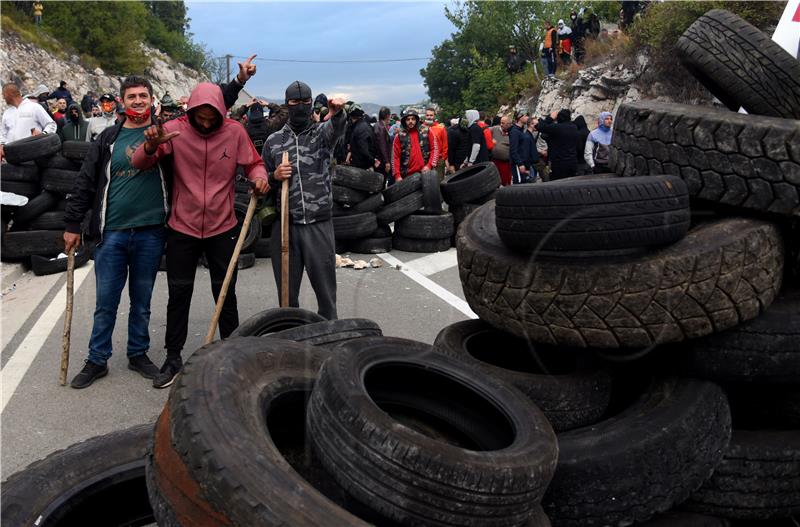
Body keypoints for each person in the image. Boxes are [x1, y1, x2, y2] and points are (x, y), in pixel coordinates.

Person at [132, 82, 268, 389]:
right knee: (179, 293)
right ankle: (173, 357)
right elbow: (140, 162)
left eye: (212, 118)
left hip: (223, 225)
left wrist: (260, 180)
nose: (206, 123)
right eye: (200, 117)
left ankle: (232, 354)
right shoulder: (173, 130)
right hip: (183, 226)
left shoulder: (234, 132)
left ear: (221, 113)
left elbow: (255, 165)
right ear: (190, 111)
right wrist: (152, 145)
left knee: (225, 293)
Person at [63, 76, 169, 389]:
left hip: (151, 231)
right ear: (122, 102)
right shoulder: (108, 138)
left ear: (152, 100)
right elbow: (85, 182)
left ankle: (138, 353)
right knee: (106, 302)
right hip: (112, 233)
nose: (138, 101)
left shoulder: (165, 136)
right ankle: (97, 359)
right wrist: (72, 224)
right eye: (132, 96)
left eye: (143, 96)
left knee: (142, 300)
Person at [262, 81, 347, 321]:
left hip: (318, 224)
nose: (300, 107)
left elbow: (338, 127)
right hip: (286, 225)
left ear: (311, 103)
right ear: (286, 104)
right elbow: (261, 180)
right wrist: (274, 176)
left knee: (326, 294)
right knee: (287, 298)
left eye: (304, 102)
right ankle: (292, 340)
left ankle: (330, 336)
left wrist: (338, 111)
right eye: (294, 102)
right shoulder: (273, 141)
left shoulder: (322, 135)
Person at [0, 83, 56, 161]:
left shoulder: (34, 107)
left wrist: (43, 135)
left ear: (9, 94)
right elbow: (3, 134)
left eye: (3, 95)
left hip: (31, 156)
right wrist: (2, 145)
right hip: (12, 157)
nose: (3, 97)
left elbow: (51, 124)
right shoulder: (7, 113)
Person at [391, 108, 439, 182]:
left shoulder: (427, 131)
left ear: (417, 120)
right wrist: (397, 175)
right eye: (408, 119)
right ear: (404, 121)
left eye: (413, 119)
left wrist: (429, 165)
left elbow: (435, 149)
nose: (410, 121)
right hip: (406, 176)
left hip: (426, 172)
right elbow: (395, 157)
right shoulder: (399, 136)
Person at [536, 109, 579, 181]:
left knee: (558, 184)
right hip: (572, 161)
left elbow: (540, 127)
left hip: (559, 163)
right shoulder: (574, 127)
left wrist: (550, 118)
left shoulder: (557, 128)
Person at [347, 104, 376, 170]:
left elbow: (364, 149)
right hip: (364, 165)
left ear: (352, 116)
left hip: (362, 167)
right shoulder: (365, 126)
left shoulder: (359, 128)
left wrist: (372, 162)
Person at [509, 111, 535, 184]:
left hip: (524, 163)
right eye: (526, 115)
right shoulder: (514, 131)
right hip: (518, 164)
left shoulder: (521, 130)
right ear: (520, 117)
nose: (528, 117)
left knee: (524, 184)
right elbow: (513, 150)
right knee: (519, 185)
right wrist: (520, 163)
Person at [424, 107, 449, 179]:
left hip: (438, 160)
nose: (429, 117)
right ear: (425, 116)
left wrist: (443, 158)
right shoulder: (421, 128)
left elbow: (445, 145)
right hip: (425, 160)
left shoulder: (440, 128)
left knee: (438, 182)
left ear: (434, 115)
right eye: (427, 115)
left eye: (431, 115)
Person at [490, 115, 512, 186]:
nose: (501, 125)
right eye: (501, 123)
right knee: (494, 181)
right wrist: (490, 140)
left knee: (506, 182)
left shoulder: (512, 133)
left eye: (503, 123)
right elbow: (485, 132)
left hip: (505, 162)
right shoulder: (494, 129)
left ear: (509, 124)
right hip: (494, 161)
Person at [374, 106, 392, 186]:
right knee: (382, 182)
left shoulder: (379, 125)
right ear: (387, 116)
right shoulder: (381, 127)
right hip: (382, 161)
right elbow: (382, 146)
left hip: (380, 159)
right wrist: (387, 162)